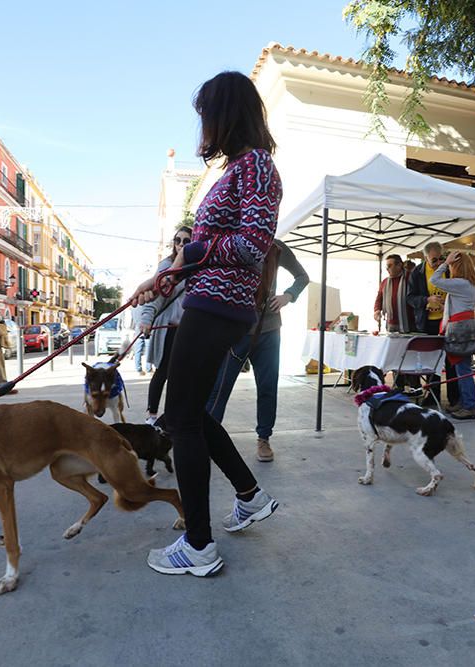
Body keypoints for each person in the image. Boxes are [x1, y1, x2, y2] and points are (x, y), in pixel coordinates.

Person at [129, 71, 281, 576]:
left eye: (205, 115)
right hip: (211, 301)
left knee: (180, 420)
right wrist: (160, 280)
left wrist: (185, 256)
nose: (202, 126)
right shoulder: (239, 168)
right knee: (192, 413)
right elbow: (201, 256)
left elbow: (250, 246)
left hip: (219, 306)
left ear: (225, 114)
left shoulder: (257, 167)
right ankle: (249, 496)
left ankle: (198, 545)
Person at [206, 238, 309, 462]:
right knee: (219, 388)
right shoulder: (231, 243)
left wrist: (288, 296)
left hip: (269, 329)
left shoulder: (277, 247)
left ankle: (264, 438)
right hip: (235, 329)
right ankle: (208, 438)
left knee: (267, 387)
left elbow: (302, 277)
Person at [138, 226, 192, 425]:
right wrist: (146, 320)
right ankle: (151, 415)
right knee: (163, 372)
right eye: (177, 240)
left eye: (186, 241)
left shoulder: (197, 268)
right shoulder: (167, 266)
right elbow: (155, 297)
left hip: (189, 331)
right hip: (168, 329)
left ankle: (172, 417)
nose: (181, 245)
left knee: (181, 376)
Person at [406, 241, 459, 409]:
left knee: (451, 360)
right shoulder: (418, 272)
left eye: (440, 259)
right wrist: (427, 299)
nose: (438, 263)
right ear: (425, 257)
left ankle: (454, 397)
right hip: (427, 321)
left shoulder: (449, 269)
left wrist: (447, 301)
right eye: (434, 260)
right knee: (431, 361)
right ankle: (432, 395)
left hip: (447, 320)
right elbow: (410, 298)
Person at [430, 250, 475, 420]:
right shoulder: (469, 284)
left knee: (463, 369)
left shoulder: (459, 283)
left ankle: (470, 406)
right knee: (463, 369)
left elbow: (434, 280)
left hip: (459, 328)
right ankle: (465, 402)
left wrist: (445, 263)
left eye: (451, 265)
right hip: (468, 326)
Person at [373, 254, 413, 333]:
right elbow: (379, 299)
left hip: (408, 323)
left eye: (390, 266)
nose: (387, 269)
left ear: (399, 265)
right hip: (391, 323)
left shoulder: (410, 278)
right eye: (386, 266)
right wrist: (377, 310)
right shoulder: (385, 282)